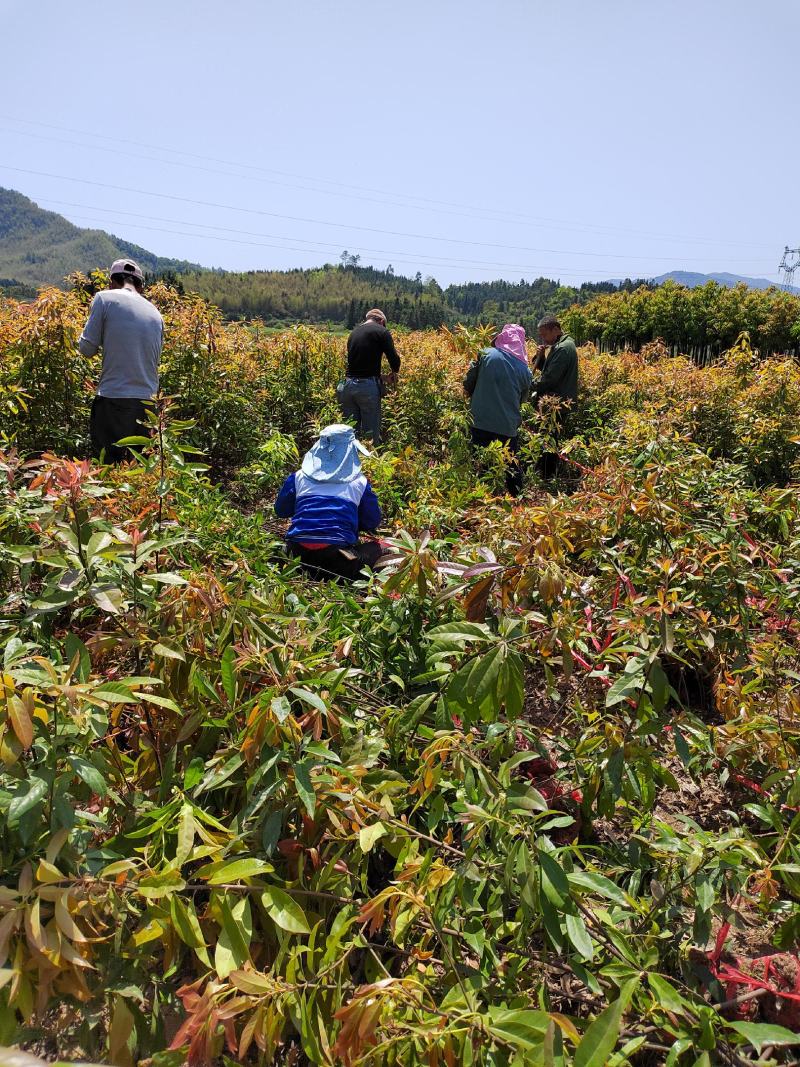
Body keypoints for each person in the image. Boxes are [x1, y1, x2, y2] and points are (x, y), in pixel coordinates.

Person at [274, 423, 385, 581]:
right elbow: (372, 521)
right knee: (382, 548)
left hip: (296, 557)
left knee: (278, 547)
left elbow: (281, 510)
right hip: (338, 560)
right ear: (351, 450)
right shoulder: (359, 483)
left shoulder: (298, 477)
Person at [78, 258, 164, 463]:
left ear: (111, 282)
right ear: (140, 286)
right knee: (139, 471)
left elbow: (87, 348)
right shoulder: (156, 314)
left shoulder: (104, 299)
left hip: (113, 399)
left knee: (107, 469)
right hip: (147, 403)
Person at [463, 323, 532, 496]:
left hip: (480, 421)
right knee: (511, 467)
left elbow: (468, 382)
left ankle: (483, 502)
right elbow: (522, 400)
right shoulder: (525, 370)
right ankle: (518, 501)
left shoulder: (486, 354)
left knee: (482, 465)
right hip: (507, 426)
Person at [338, 308, 400, 445]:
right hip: (367, 390)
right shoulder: (382, 332)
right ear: (382, 321)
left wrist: (382, 377)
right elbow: (394, 362)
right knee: (370, 436)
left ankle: (349, 463)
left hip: (347, 387)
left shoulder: (353, 333)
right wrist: (395, 371)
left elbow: (360, 366)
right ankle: (370, 464)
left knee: (349, 434)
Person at [531, 314, 579, 478]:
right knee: (548, 439)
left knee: (548, 440)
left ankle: (546, 476)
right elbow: (550, 371)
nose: (543, 339)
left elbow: (549, 379)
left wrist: (527, 385)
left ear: (556, 330)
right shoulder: (562, 346)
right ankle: (545, 473)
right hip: (556, 402)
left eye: (545, 334)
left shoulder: (563, 349)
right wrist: (542, 358)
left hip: (555, 403)